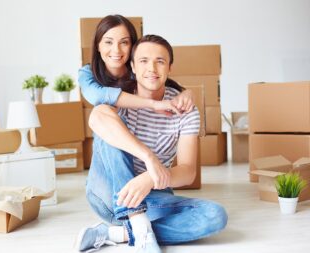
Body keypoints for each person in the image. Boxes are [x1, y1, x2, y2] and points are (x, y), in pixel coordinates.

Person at [75, 34, 228, 253]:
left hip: (152, 196)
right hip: (109, 195)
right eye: (144, 61)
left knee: (215, 215)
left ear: (170, 68)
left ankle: (117, 233)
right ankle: (138, 222)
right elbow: (97, 116)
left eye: (160, 61)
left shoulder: (185, 110)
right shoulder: (121, 97)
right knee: (107, 121)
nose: (152, 68)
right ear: (133, 67)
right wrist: (150, 158)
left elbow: (187, 172)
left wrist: (149, 178)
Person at [78, 14, 195, 116]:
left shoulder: (138, 71)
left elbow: (167, 85)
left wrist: (187, 93)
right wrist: (153, 105)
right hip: (110, 137)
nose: (116, 50)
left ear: (133, 47)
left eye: (124, 42)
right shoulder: (87, 73)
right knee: (100, 111)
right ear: (98, 45)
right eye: (108, 42)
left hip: (139, 136)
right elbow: (98, 96)